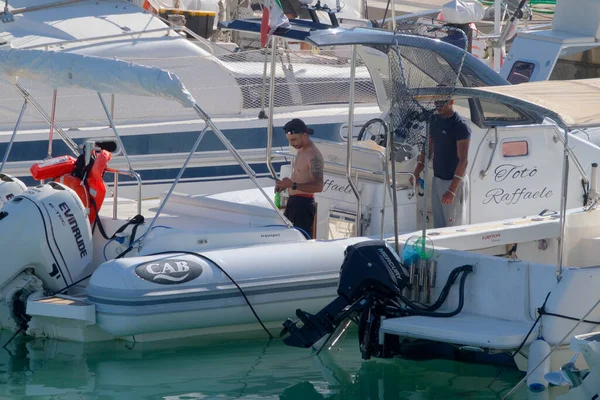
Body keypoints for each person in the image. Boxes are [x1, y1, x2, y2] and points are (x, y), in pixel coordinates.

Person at [411, 99, 471, 228]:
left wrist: (452, 190)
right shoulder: (435, 121)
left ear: (451, 102)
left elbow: (463, 161)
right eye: (436, 102)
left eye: (442, 102)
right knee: (439, 225)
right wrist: (416, 172)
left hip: (453, 183)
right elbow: (427, 148)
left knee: (454, 227)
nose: (438, 106)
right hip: (437, 180)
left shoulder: (460, 125)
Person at [275, 118, 324, 238]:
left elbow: (319, 186)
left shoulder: (313, 156)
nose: (292, 143)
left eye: (294, 139)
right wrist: (284, 185)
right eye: (289, 140)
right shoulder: (301, 150)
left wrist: (293, 185)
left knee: (299, 240)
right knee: (287, 239)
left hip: (303, 205)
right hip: (294, 202)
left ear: (304, 135)